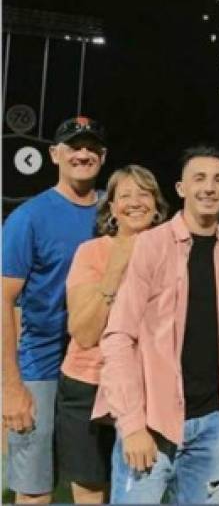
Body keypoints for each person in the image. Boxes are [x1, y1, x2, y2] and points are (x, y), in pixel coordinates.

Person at [93, 146, 219, 503]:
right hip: (152, 422)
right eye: (198, 178)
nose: (209, 188)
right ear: (180, 188)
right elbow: (118, 337)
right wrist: (132, 425)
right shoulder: (150, 246)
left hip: (212, 425)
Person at [2, 116, 107, 503]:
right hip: (42, 367)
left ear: (103, 156)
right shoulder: (29, 217)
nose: (83, 154)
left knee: (93, 485)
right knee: (34, 490)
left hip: (98, 365)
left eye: (91, 147)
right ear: (54, 154)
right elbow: (2, 299)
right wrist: (11, 388)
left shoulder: (116, 214)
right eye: (74, 147)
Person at [55, 165, 168, 504]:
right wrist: (116, 268)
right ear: (112, 207)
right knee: (91, 491)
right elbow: (84, 333)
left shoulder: (171, 251)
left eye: (144, 193)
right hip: (88, 387)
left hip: (144, 390)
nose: (135, 202)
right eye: (125, 195)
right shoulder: (92, 252)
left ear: (157, 204)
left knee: (139, 489)